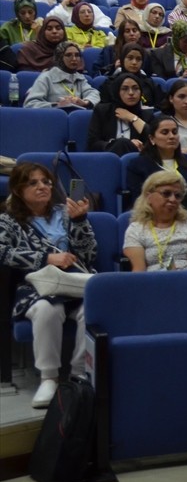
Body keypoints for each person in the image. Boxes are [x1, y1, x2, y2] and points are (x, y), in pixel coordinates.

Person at [0, 163, 96, 407]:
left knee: (92, 309)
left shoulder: (65, 212)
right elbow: (2, 251)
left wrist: (80, 220)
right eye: (33, 183)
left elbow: (88, 253)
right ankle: (49, 377)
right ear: (19, 190)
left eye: (46, 182)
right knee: (47, 310)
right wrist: (45, 258)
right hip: (36, 286)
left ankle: (79, 373)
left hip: (75, 280)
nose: (42, 187)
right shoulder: (8, 220)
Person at [123, 170, 187, 272]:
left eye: (177, 195)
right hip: (154, 283)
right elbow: (139, 270)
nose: (173, 199)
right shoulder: (136, 229)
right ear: (149, 197)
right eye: (166, 193)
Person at [87, 72, 152, 154]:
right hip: (107, 158)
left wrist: (133, 118)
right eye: (125, 89)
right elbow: (93, 144)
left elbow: (155, 141)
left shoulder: (147, 115)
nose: (131, 93)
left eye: (135, 88)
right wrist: (119, 144)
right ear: (117, 91)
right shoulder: (102, 111)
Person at [23, 41, 98, 109]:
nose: (74, 59)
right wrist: (57, 105)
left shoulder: (79, 77)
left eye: (77, 55)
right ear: (59, 57)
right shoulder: (46, 77)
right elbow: (30, 104)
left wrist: (85, 102)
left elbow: (94, 94)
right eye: (69, 55)